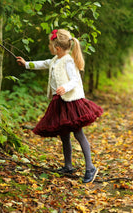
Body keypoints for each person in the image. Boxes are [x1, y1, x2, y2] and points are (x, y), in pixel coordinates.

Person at [16, 29, 103, 183]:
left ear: (57, 47)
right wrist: (26, 64)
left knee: (78, 134)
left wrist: (65, 87)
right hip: (60, 102)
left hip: (72, 101)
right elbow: (43, 63)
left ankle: (90, 167)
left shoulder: (68, 61)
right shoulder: (56, 59)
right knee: (64, 135)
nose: (49, 47)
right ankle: (68, 166)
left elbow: (75, 80)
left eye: (50, 44)